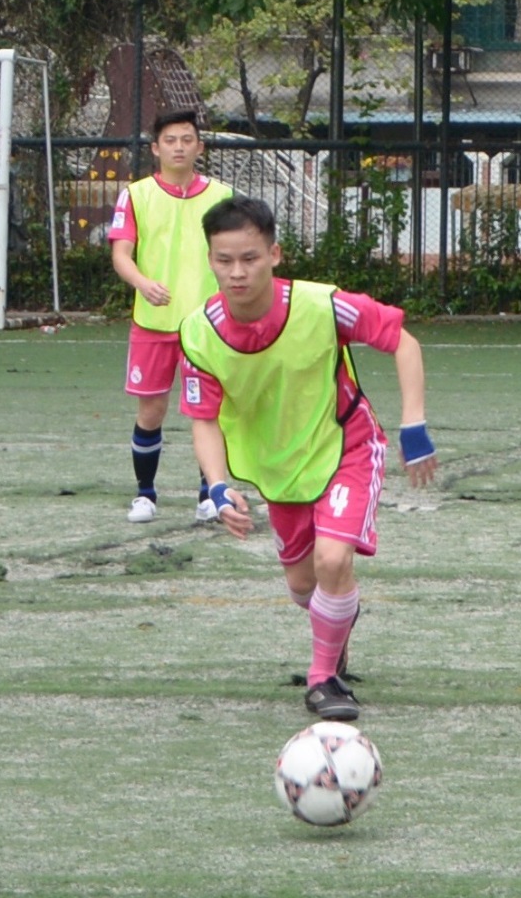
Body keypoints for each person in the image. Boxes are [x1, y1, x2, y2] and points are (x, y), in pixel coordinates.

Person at [180, 197, 438, 723]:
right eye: (224, 260)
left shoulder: (323, 305)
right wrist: (217, 484)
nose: (237, 272)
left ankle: (323, 679)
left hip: (347, 448)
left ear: (274, 255)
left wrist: (414, 426)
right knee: (304, 586)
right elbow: (203, 418)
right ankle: (335, 624)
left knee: (333, 562)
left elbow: (403, 341)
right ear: (209, 260)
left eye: (249, 258)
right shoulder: (198, 332)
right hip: (279, 470)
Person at [107, 111, 232, 524]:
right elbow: (121, 254)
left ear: (200, 147)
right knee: (151, 412)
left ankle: (209, 494)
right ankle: (145, 495)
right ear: (156, 148)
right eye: (171, 140)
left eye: (187, 139)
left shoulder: (223, 196)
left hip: (207, 326)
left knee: (208, 411)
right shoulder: (136, 195)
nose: (179, 147)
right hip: (153, 324)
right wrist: (143, 283)